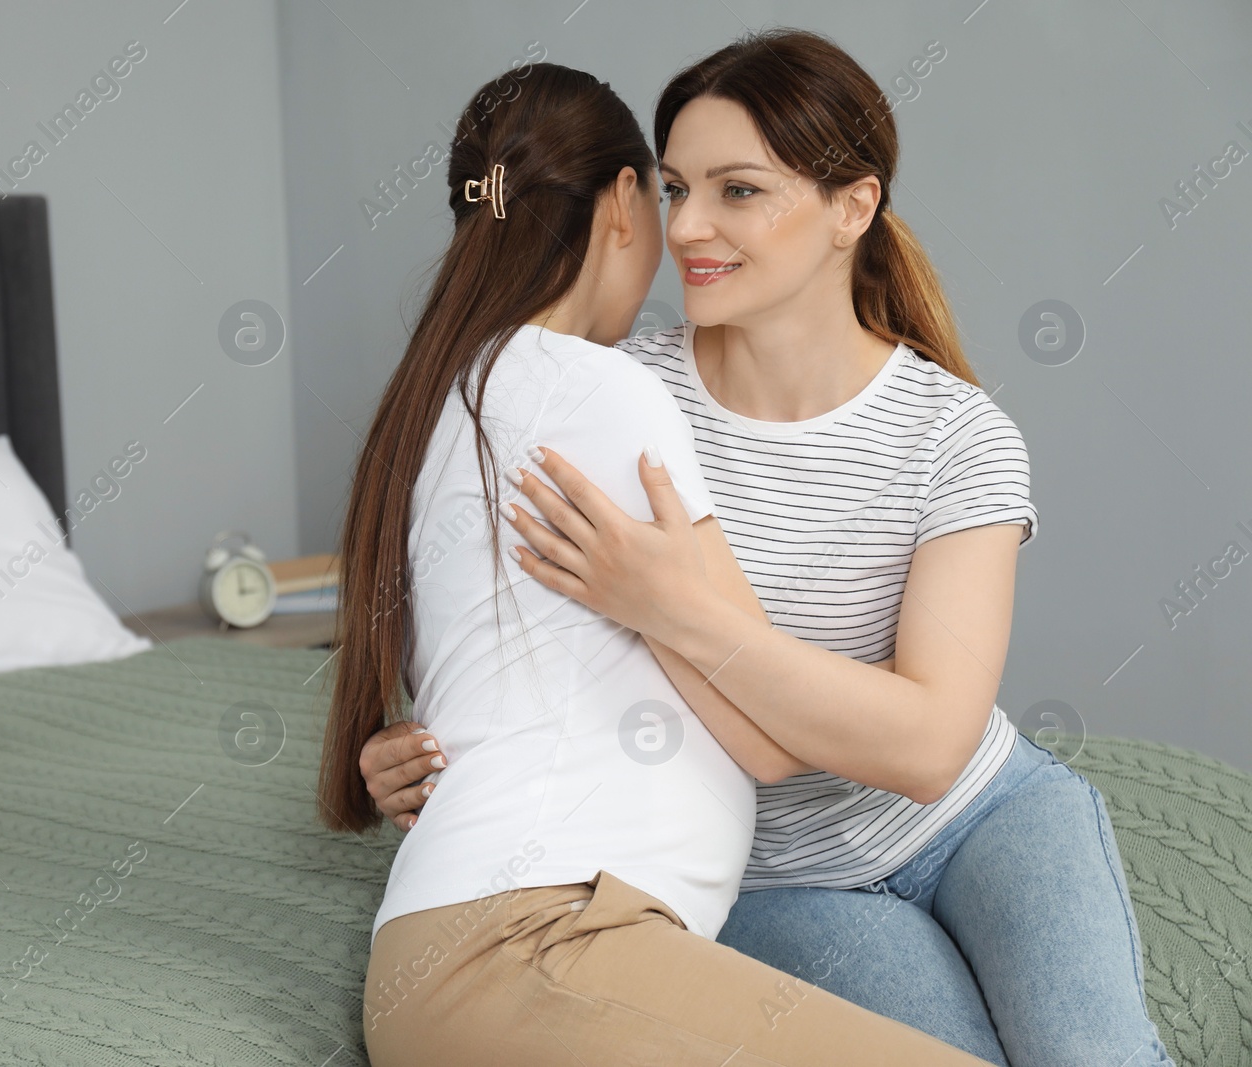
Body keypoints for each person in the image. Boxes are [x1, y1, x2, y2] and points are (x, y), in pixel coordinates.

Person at [356, 29, 1176, 1067]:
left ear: (852, 206)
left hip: (977, 815)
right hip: (778, 875)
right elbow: (523, 642)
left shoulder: (956, 433)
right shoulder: (618, 395)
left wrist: (668, 604)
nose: (690, 224)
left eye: (737, 190)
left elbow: (928, 746)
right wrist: (426, 751)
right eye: (675, 189)